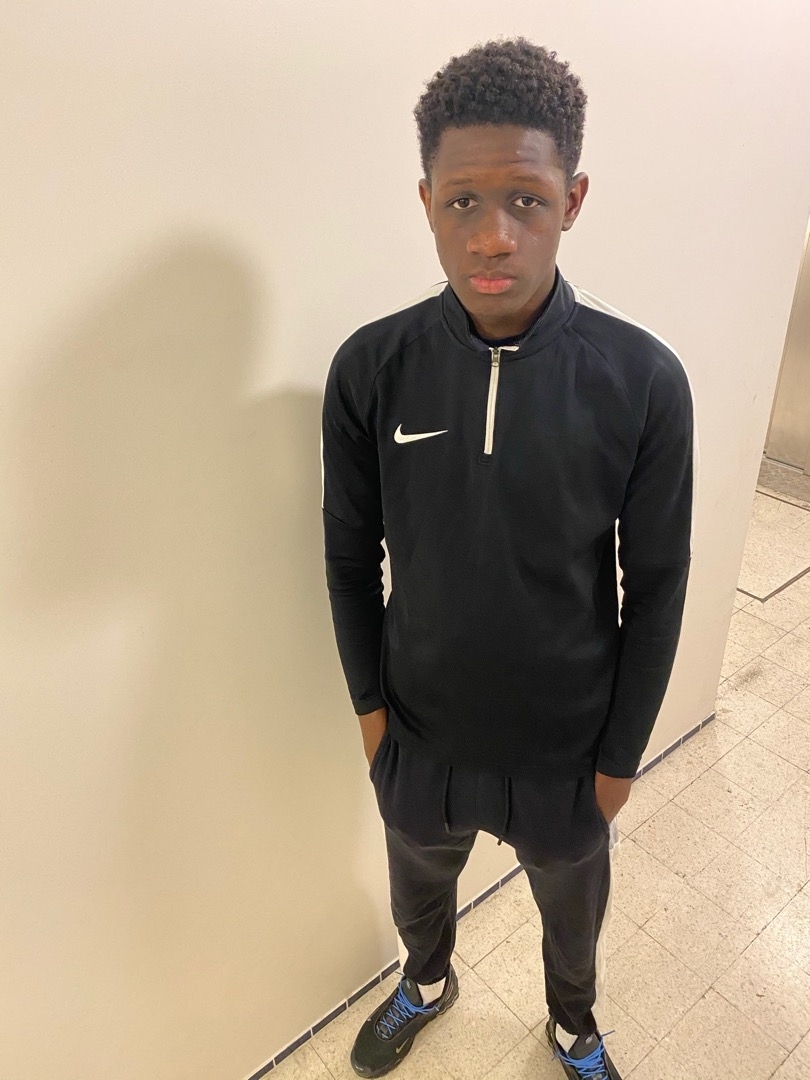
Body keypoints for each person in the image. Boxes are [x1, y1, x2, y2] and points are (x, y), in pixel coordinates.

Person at [320, 36, 696, 1080]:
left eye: (526, 200)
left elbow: (657, 587)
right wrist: (374, 725)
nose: (493, 235)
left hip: (568, 753)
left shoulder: (643, 380)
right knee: (418, 893)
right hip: (417, 739)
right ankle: (426, 981)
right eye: (462, 201)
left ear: (572, 200)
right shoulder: (371, 367)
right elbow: (348, 555)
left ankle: (573, 1024)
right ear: (426, 201)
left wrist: (617, 766)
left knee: (572, 916)